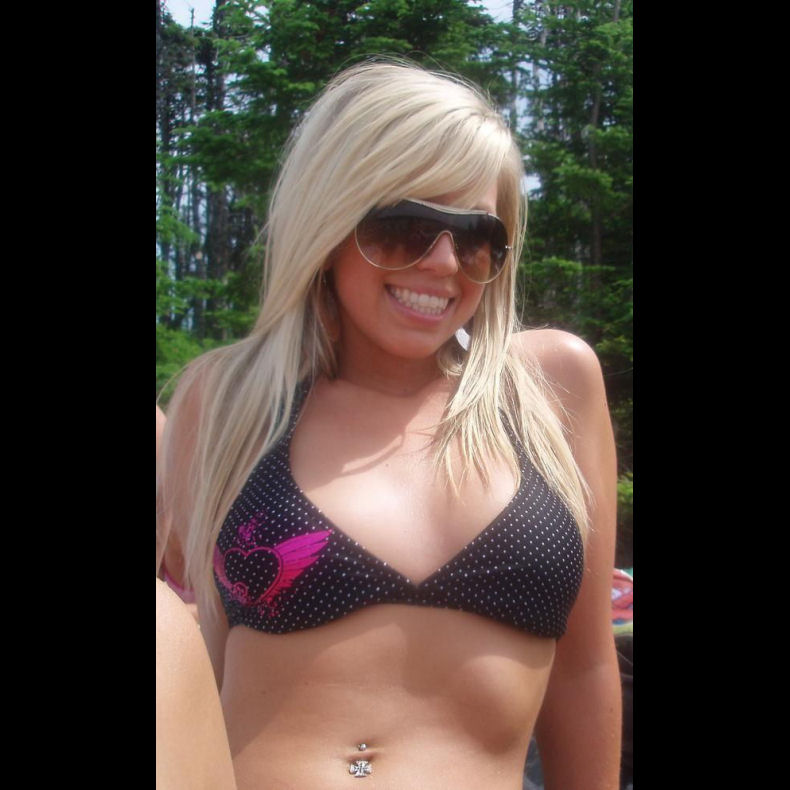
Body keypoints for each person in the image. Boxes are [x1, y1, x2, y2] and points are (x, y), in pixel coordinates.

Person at [158, 59, 622, 790]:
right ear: (329, 221)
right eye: (404, 229)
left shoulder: (551, 389)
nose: (442, 263)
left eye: (476, 237)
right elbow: (199, 649)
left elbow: (586, 669)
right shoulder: (226, 400)